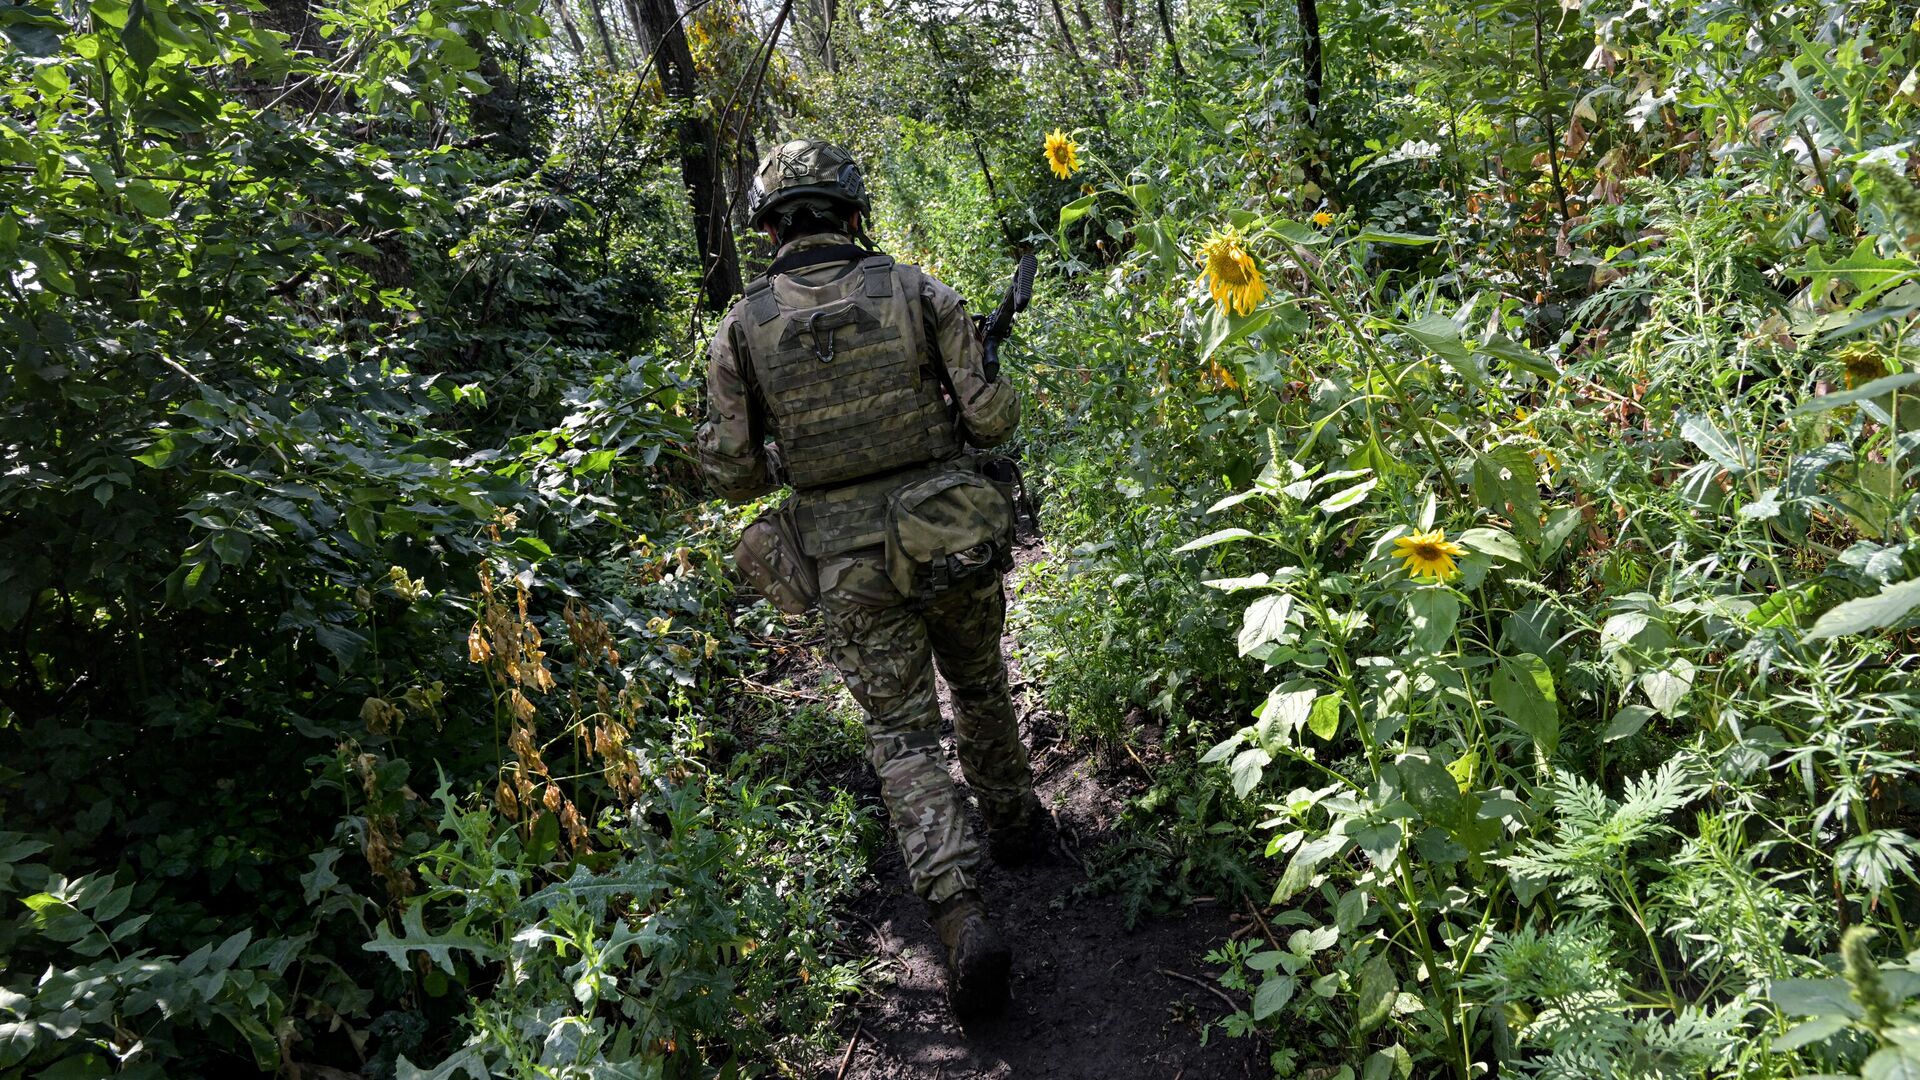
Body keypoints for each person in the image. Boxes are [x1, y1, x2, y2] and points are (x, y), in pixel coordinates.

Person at [696, 139, 1043, 1018]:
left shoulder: (740, 330)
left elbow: (734, 475)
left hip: (847, 566)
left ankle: (961, 914)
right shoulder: (922, 292)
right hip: (949, 535)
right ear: (853, 214)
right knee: (979, 682)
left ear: (772, 228)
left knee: (901, 733)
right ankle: (1013, 827)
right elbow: (993, 422)